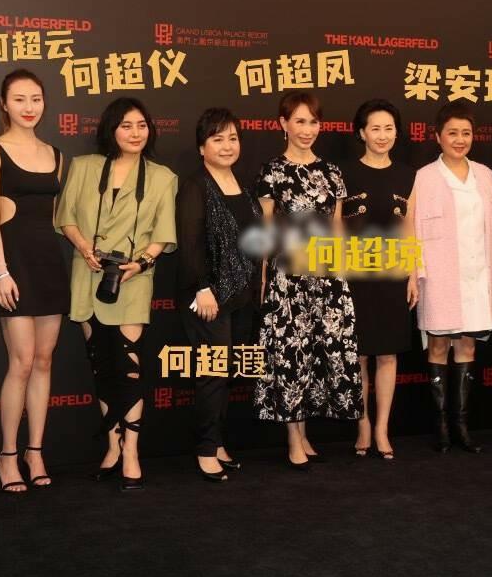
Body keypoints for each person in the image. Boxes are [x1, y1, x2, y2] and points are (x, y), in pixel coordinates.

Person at [55, 97, 177, 491]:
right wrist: (84, 248)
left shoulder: (162, 177)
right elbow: (66, 217)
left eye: (141, 125)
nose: (135, 133)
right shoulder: (84, 166)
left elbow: (163, 234)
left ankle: (132, 452)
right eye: (126, 125)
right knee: (102, 365)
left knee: (129, 367)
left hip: (134, 279)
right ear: (111, 129)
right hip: (88, 275)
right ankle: (112, 445)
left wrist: (141, 263)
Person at [254, 90, 362, 470]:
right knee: (290, 356)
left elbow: (337, 227)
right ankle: (292, 438)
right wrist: (264, 281)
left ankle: (304, 434)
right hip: (289, 278)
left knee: (318, 355)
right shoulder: (272, 171)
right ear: (283, 124)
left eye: (313, 122)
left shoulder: (332, 172)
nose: (307, 129)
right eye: (299, 121)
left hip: (327, 277)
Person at [0, 69, 70, 492]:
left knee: (44, 361)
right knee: (21, 361)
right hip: (12, 266)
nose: (29, 107)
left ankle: (36, 451)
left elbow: (58, 218)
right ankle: (8, 455)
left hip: (49, 263)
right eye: (19, 99)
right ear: (4, 104)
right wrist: (0, 271)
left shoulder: (56, 155)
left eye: (35, 99)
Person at [407, 99, 492, 454]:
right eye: (452, 133)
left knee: (467, 345)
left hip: (478, 272)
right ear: (438, 136)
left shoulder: (485, 174)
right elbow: (411, 228)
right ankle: (441, 427)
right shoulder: (424, 176)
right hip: (440, 274)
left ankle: (462, 426)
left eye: (466, 133)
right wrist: (415, 271)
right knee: (438, 345)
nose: (460, 139)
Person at [175, 108, 262, 482]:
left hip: (241, 296)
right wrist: (202, 288)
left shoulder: (241, 183)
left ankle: (219, 442)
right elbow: (190, 242)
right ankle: (206, 450)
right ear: (201, 147)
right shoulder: (195, 186)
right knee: (213, 373)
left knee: (227, 372)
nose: (227, 146)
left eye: (232, 138)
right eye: (217, 139)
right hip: (207, 297)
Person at [340, 99, 415, 460]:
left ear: (396, 133)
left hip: (393, 273)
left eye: (389, 128)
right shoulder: (344, 173)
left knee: (387, 354)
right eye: (375, 129)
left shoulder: (408, 175)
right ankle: (363, 424)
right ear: (362, 133)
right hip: (355, 273)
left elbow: (410, 228)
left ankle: (383, 428)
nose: (382, 135)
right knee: (357, 355)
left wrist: (413, 275)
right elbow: (335, 227)